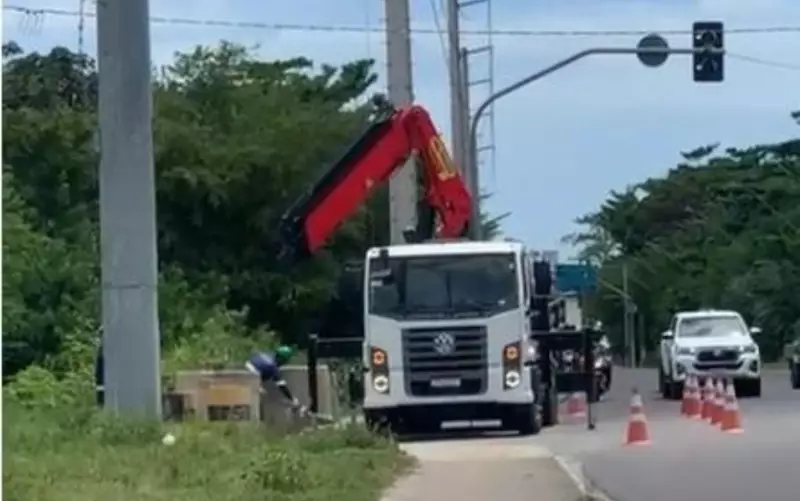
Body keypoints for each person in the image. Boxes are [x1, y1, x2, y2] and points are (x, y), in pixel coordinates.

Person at [245, 346, 304, 412]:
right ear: (283, 359)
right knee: (263, 395)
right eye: (286, 360)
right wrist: (292, 399)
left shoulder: (267, 354)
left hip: (243, 371)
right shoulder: (273, 367)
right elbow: (282, 386)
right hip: (251, 379)